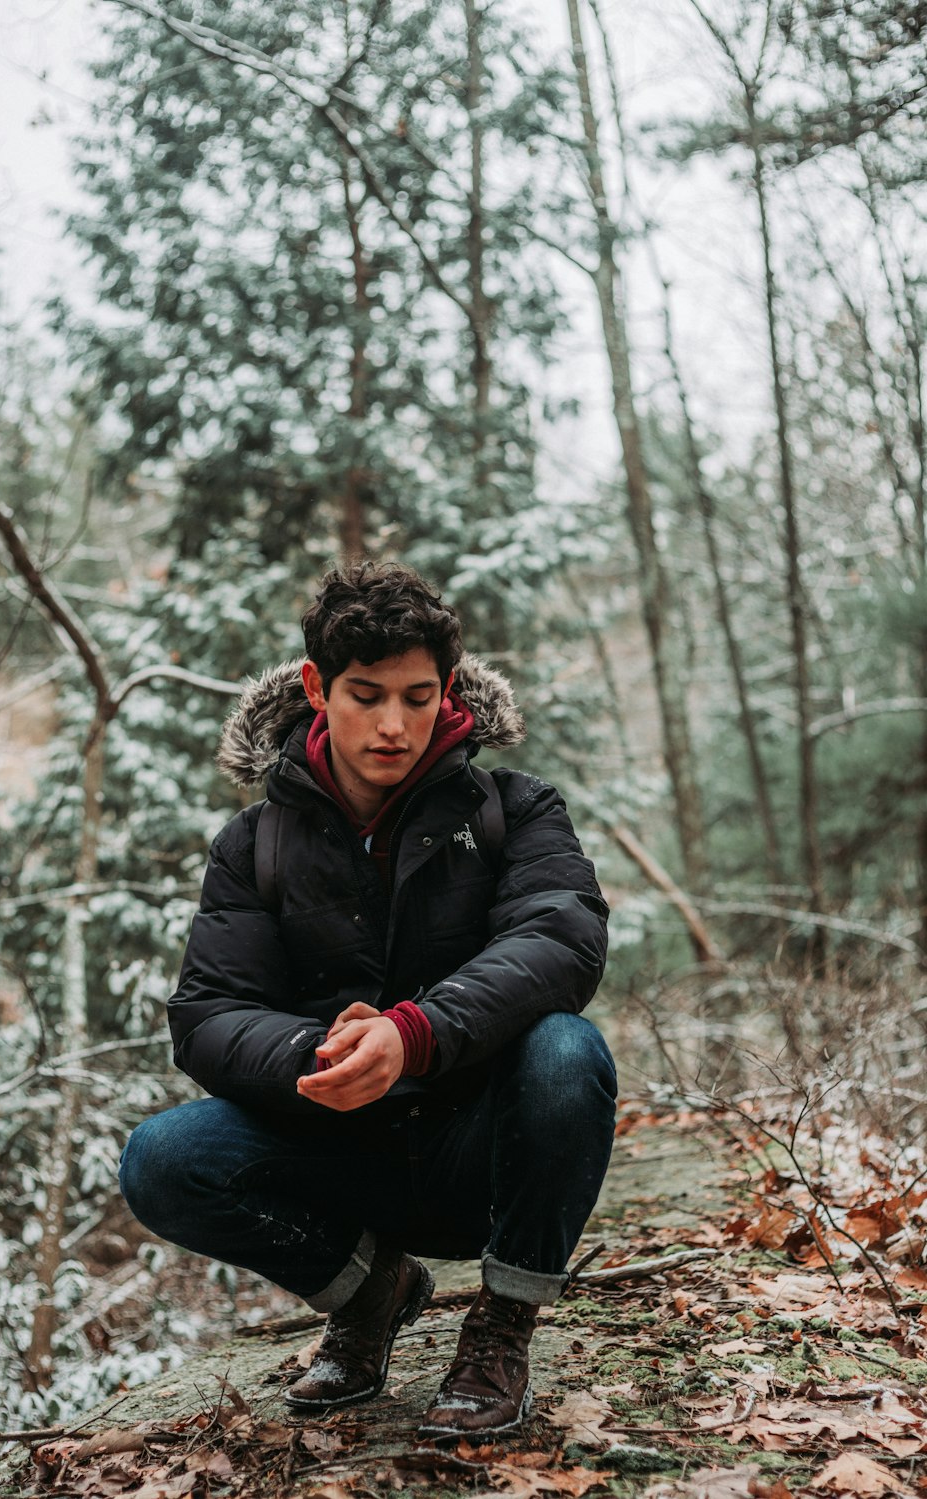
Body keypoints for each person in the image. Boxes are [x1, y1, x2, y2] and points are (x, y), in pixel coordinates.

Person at [119, 561, 616, 1438]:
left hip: (479, 1151)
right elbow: (207, 1013)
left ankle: (502, 1327)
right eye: (366, 694)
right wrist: (323, 1053)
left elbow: (561, 938)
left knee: (569, 1051)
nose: (395, 725)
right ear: (316, 687)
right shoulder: (252, 842)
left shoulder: (516, 808)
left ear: (448, 690)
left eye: (419, 697)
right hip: (340, 1146)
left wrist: (414, 1033)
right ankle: (372, 1291)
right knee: (160, 1157)